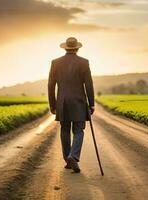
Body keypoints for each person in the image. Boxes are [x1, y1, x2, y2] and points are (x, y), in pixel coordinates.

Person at [48, 37, 95, 173]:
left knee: (64, 130)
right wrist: (91, 103)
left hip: (62, 102)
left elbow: (51, 85)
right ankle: (73, 156)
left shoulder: (55, 63)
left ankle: (68, 160)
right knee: (79, 130)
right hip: (79, 101)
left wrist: (52, 104)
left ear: (65, 48)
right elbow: (89, 84)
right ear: (77, 48)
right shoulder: (84, 63)